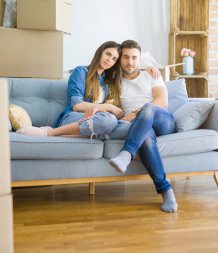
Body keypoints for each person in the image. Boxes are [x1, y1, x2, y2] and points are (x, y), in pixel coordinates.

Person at [17, 41, 158, 139]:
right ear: (100, 52)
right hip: (73, 117)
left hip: (95, 119)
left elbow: (130, 67)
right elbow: (77, 105)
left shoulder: (108, 82)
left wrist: (145, 68)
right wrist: (106, 107)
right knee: (108, 121)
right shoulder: (81, 72)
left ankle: (83, 134)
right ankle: (50, 133)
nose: (109, 60)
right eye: (108, 54)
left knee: (126, 125)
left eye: (114, 58)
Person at [109, 40, 178, 213]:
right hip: (141, 126)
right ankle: (166, 191)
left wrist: (135, 114)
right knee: (146, 137)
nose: (130, 62)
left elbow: (161, 102)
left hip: (163, 120)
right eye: (125, 57)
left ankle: (126, 153)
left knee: (149, 107)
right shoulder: (115, 83)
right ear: (119, 59)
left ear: (140, 59)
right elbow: (116, 113)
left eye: (134, 58)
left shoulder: (151, 75)